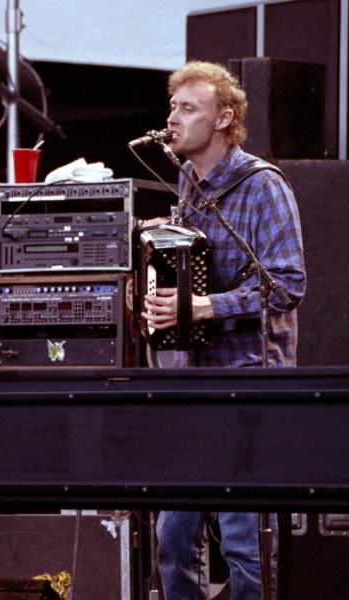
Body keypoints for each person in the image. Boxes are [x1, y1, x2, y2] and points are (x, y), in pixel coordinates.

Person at [142, 61, 307, 600]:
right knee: (172, 536)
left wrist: (204, 307)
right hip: (193, 382)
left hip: (249, 380)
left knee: (243, 541)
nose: (173, 119)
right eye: (173, 107)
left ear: (224, 118)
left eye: (188, 109)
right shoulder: (186, 181)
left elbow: (287, 284)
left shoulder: (263, 185)